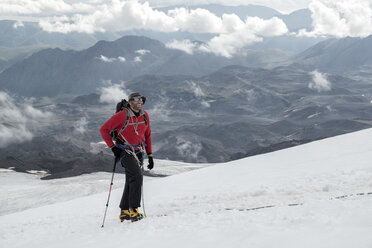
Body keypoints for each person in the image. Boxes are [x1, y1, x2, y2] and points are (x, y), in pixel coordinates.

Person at [100, 92, 154, 222]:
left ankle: (124, 211)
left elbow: (148, 135)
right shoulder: (122, 115)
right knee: (136, 176)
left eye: (141, 99)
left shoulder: (144, 115)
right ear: (130, 102)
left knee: (130, 180)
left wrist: (150, 155)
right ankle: (133, 210)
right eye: (136, 100)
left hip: (138, 151)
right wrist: (113, 148)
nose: (139, 102)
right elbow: (104, 129)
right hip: (125, 151)